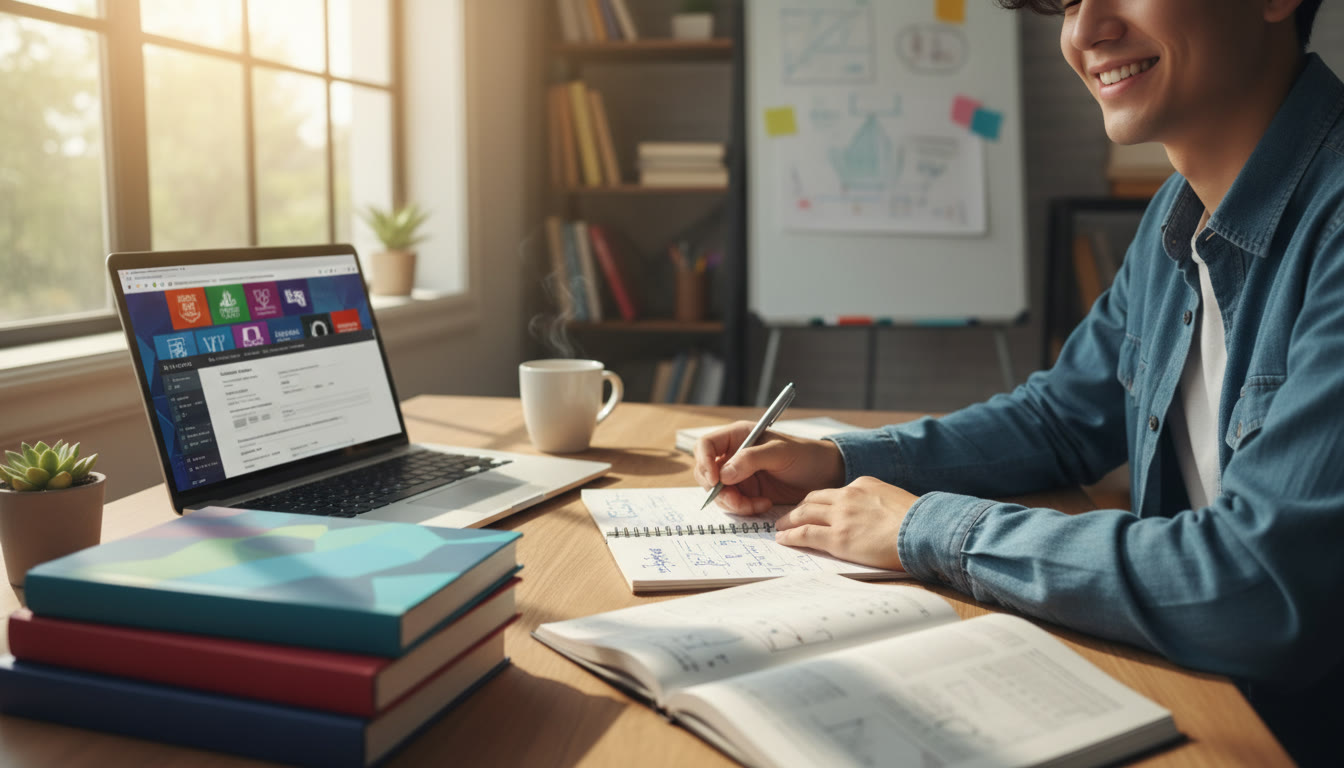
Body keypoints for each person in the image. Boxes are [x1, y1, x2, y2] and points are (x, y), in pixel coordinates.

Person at [694, 1, 1341, 763]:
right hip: (1202, 696)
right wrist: (841, 461)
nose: (1084, 32)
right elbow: (1063, 419)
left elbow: (1254, 585)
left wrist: (925, 529)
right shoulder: (1179, 209)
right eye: (1068, 2)